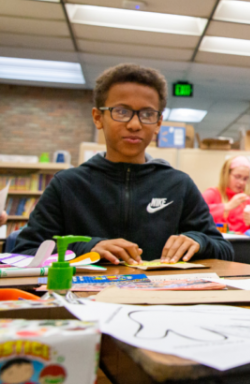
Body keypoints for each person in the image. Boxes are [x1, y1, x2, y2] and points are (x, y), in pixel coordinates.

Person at [14, 63, 234, 264]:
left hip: (160, 301)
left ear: (158, 123)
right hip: (85, 302)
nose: (135, 124)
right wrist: (89, 249)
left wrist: (198, 240)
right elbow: (25, 251)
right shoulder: (67, 184)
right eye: (122, 112)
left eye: (147, 114)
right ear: (98, 117)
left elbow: (224, 249)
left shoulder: (179, 184)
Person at [202, 156, 250, 234]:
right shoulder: (212, 193)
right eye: (237, 177)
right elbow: (197, 214)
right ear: (226, 174)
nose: (241, 182)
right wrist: (226, 207)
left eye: (245, 179)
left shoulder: (247, 200)